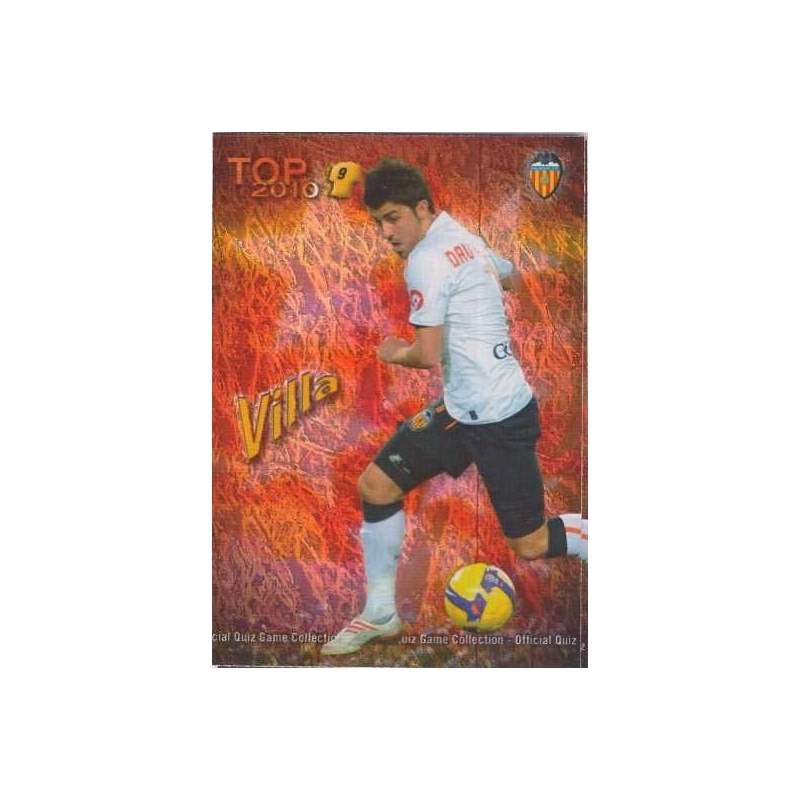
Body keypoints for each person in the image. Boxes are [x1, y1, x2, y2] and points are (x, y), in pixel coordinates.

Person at [321, 159, 587, 656]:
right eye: (378, 222)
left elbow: (424, 355)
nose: (386, 233)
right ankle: (380, 614)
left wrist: (391, 352)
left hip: (500, 418)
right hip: (462, 411)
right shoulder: (459, 233)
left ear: (421, 209)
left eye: (394, 218)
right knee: (377, 486)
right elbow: (509, 274)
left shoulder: (426, 259)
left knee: (530, 543)